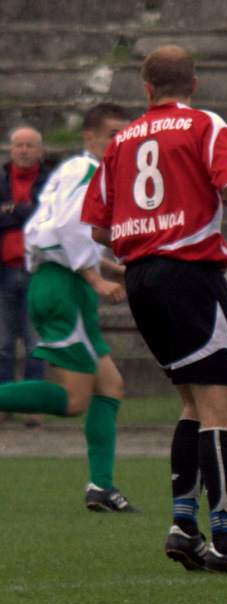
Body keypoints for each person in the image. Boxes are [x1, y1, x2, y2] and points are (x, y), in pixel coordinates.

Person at [82, 45, 227, 575]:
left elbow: (98, 228)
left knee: (193, 404)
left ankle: (184, 526)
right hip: (189, 274)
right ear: (193, 84)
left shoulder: (120, 142)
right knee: (223, 408)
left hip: (141, 279)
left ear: (147, 89)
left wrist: (144, 229)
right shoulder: (204, 124)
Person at [0, 105, 136, 511]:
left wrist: (110, 268)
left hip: (60, 281)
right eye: (112, 134)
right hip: (64, 288)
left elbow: (47, 231)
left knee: (110, 386)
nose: (119, 142)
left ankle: (102, 487)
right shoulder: (90, 172)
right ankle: (101, 486)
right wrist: (96, 279)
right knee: (74, 400)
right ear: (89, 137)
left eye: (124, 135)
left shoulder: (73, 171)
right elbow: (66, 229)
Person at [0, 125, 49, 427]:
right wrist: (26, 212)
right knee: (2, 345)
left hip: (36, 272)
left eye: (30, 145)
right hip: (3, 273)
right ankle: (5, 403)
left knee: (35, 345)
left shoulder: (50, 182)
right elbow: (33, 215)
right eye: (19, 145)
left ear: (39, 151)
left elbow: (47, 217)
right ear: (11, 150)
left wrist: (11, 211)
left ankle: (33, 406)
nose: (24, 150)